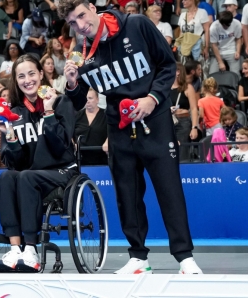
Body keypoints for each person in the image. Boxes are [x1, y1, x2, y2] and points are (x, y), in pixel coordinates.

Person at [58, 0, 203, 274]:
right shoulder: (81, 52)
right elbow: (78, 101)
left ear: (92, 7)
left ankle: (185, 258)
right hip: (119, 129)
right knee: (127, 194)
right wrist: (72, 83)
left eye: (81, 15)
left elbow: (166, 64)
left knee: (169, 191)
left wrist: (153, 98)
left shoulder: (136, 25)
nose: (80, 25)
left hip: (156, 120)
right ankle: (138, 257)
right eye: (72, 23)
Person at [0, 54, 78, 272]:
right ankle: (15, 249)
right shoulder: (14, 112)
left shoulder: (61, 102)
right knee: (5, 178)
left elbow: (61, 147)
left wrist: (48, 111)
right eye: (21, 76)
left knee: (25, 176)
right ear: (16, 81)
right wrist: (10, 136)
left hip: (60, 170)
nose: (27, 80)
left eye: (31, 73)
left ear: (41, 74)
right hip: (28, 175)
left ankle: (31, 248)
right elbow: (15, 163)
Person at [171, 63, 199, 161]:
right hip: (168, 121)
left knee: (182, 152)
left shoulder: (187, 87)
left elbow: (194, 108)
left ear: (178, 72)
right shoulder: (165, 88)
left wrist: (194, 127)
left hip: (183, 122)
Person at [74, 88, 108, 165]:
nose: (88, 101)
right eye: (86, 99)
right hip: (80, 158)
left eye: (90, 98)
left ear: (97, 100)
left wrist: (108, 141)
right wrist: (73, 144)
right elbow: (69, 132)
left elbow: (113, 130)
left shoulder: (106, 115)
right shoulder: (77, 115)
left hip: (102, 158)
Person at [209, 11, 242, 75]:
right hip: (218, 51)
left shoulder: (237, 24)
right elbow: (214, 45)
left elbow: (238, 39)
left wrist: (238, 51)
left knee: (236, 74)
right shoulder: (213, 27)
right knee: (212, 73)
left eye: (227, 25)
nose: (225, 27)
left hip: (232, 50)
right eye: (223, 25)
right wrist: (220, 62)